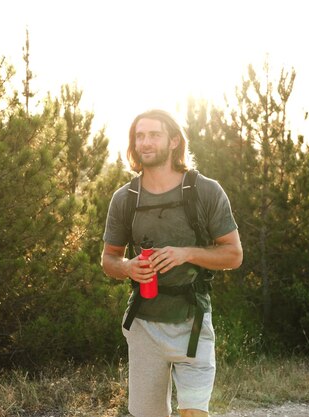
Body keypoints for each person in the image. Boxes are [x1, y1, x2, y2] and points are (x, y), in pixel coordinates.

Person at [101, 109, 243, 417]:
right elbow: (109, 259)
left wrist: (187, 253)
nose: (145, 142)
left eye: (154, 135)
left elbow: (233, 254)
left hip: (193, 321)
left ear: (174, 141)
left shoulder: (205, 191)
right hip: (144, 325)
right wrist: (128, 267)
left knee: (193, 413)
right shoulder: (125, 198)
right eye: (139, 136)